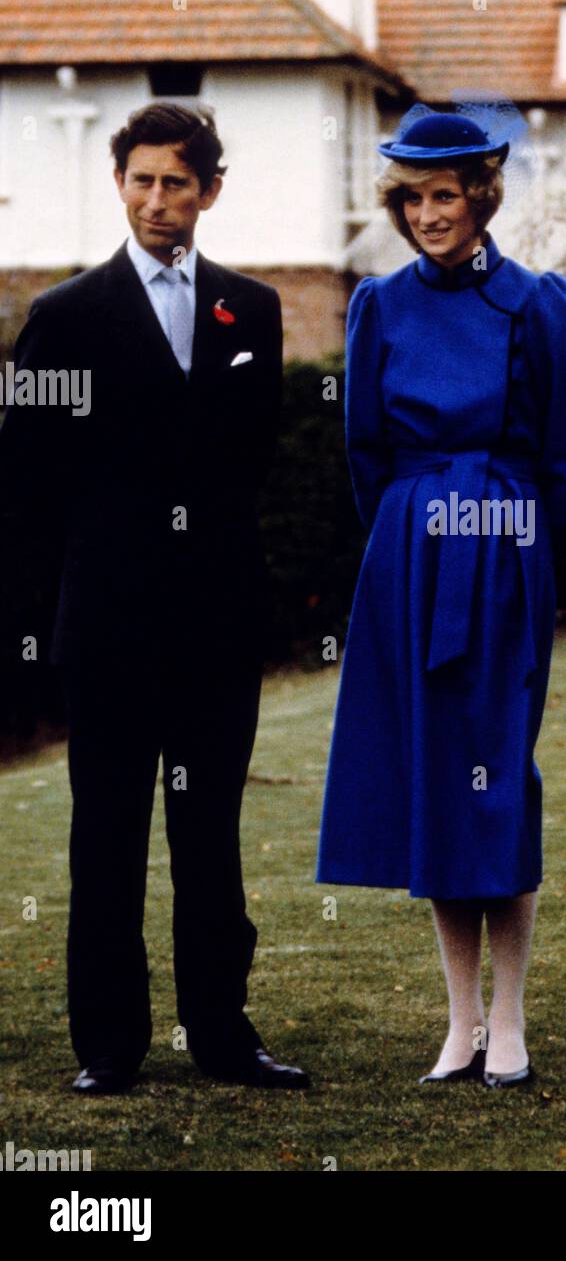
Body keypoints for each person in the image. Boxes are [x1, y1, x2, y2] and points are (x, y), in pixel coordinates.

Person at [0, 103, 307, 1094]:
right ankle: (109, 1045)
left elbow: (251, 461)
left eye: (177, 182)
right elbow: (27, 485)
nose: (156, 200)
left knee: (209, 835)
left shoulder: (250, 310)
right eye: (140, 180)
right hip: (109, 624)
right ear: (119, 183)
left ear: (208, 190)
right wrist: (34, 631)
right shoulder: (66, 316)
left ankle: (221, 1032)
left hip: (216, 622)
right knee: (109, 833)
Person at [316, 104, 566, 1087]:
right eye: (415, 198)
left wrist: (519, 553)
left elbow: (565, 460)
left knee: (497, 780)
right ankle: (460, 1022)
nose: (431, 214)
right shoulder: (377, 308)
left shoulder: (540, 302)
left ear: (480, 197)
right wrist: (408, 533)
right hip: (409, 553)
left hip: (507, 547)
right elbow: (362, 452)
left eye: (447, 196)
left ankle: (510, 1020)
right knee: (438, 779)